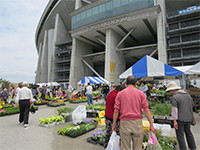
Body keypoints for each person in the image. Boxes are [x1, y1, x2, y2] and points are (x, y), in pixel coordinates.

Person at [112, 76, 155, 150]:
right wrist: (151, 124)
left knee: (125, 146)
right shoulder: (140, 93)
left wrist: (114, 124)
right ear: (136, 84)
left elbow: (116, 111)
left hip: (124, 123)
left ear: (125, 84)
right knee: (138, 146)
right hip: (137, 123)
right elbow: (146, 110)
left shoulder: (120, 94)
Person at [166, 82, 196, 150]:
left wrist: (174, 121)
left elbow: (174, 110)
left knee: (180, 136)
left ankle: (183, 148)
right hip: (188, 118)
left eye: (170, 90)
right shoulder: (188, 95)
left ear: (173, 89)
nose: (170, 92)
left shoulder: (175, 97)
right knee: (188, 133)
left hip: (180, 119)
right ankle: (193, 147)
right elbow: (192, 105)